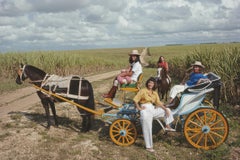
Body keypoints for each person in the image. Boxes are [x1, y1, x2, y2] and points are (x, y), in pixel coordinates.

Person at [133, 77, 175, 153]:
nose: (150, 84)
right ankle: (149, 147)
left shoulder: (155, 93)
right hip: (145, 108)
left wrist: (165, 109)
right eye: (149, 82)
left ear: (154, 84)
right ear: (147, 83)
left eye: (152, 83)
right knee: (147, 126)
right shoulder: (143, 91)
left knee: (168, 110)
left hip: (152, 108)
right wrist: (139, 108)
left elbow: (158, 103)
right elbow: (135, 100)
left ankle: (167, 126)